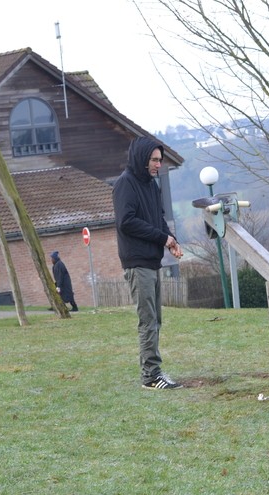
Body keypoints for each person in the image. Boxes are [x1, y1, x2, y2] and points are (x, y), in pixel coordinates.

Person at [113, 136, 183, 390]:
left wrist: (171, 240)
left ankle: (154, 372)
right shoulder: (125, 185)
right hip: (136, 262)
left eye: (160, 160)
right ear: (142, 158)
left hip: (153, 261)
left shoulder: (152, 186)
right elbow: (126, 222)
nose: (158, 165)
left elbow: (158, 218)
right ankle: (151, 377)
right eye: (154, 160)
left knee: (156, 320)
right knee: (147, 321)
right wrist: (161, 237)